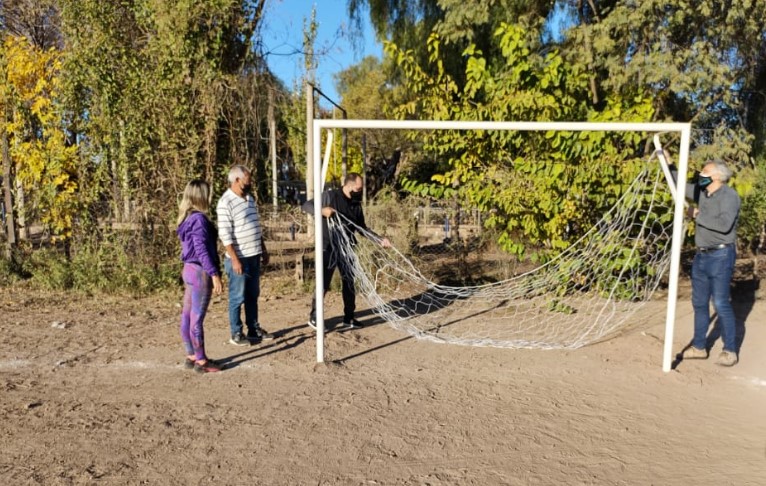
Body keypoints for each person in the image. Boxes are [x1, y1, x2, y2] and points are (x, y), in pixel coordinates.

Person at [305, 172, 391, 330]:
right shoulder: (330, 196)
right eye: (358, 188)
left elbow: (362, 228)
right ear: (349, 185)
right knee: (323, 283)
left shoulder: (356, 204)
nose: (359, 191)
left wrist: (379, 240)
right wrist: (322, 210)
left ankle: (349, 318)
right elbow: (307, 205)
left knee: (349, 283)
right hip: (328, 248)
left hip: (348, 249)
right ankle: (315, 316)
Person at [679, 160, 741, 366]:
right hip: (701, 256)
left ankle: (730, 350)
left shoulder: (729, 196)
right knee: (699, 303)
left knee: (721, 303)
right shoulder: (702, 193)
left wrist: (697, 215)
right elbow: (678, 182)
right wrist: (668, 162)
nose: (700, 174)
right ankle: (699, 347)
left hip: (721, 256)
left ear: (716, 176)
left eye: (704, 171)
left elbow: (724, 226)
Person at [216, 165, 272, 346]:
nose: (250, 182)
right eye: (247, 179)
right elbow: (225, 235)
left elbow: (256, 226)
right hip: (239, 258)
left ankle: (253, 329)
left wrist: (262, 248)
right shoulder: (226, 203)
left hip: (254, 255)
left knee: (252, 295)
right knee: (237, 297)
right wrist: (234, 259)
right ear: (237, 180)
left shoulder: (250, 199)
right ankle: (236, 332)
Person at [177, 180, 223, 373]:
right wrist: (214, 273)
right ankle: (201, 361)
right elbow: (202, 249)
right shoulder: (199, 220)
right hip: (199, 272)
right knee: (196, 318)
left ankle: (191, 355)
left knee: (187, 315)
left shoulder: (186, 218)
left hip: (188, 269)